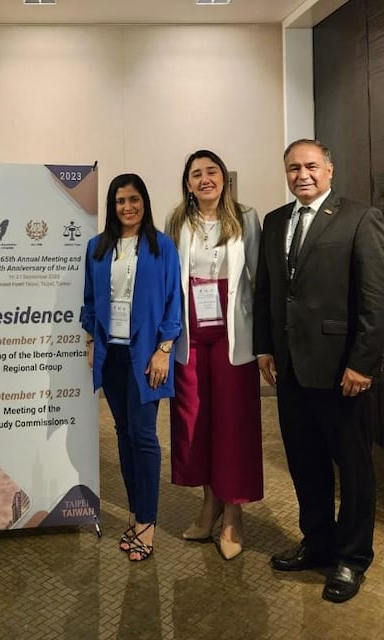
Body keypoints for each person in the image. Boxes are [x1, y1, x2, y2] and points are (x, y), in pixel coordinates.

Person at [253, 139, 384, 602]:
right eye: (293, 168)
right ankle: (317, 543)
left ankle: (352, 560)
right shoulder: (275, 222)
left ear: (330, 169)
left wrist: (362, 363)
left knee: (353, 470)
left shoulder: (358, 217)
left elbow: (378, 300)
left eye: (311, 166)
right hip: (290, 371)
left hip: (341, 373)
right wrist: (265, 348)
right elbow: (267, 293)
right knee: (305, 464)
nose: (302, 175)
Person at [166, 150, 263, 560]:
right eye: (196, 174)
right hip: (190, 332)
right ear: (187, 184)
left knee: (233, 422)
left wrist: (265, 345)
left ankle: (233, 514)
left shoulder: (246, 218)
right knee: (194, 420)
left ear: (224, 178)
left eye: (212, 172)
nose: (205, 179)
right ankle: (209, 503)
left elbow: (258, 278)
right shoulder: (176, 223)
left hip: (233, 334)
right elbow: (171, 281)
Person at [81, 173, 181, 562]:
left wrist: (164, 350)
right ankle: (137, 512)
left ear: (145, 202)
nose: (128, 207)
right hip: (112, 356)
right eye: (121, 200)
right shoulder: (97, 248)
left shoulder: (162, 247)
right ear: (112, 205)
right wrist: (91, 340)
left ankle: (148, 522)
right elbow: (89, 302)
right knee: (122, 434)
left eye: (134, 199)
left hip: (146, 357)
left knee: (144, 437)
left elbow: (174, 301)